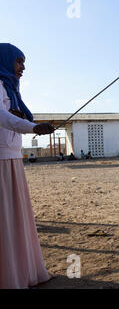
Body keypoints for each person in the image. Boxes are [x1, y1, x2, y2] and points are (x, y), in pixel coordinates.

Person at [0, 43, 55, 289]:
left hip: (12, 159)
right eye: (18, 61)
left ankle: (20, 272)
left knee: (14, 219)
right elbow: (3, 118)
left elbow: (14, 116)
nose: (23, 67)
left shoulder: (12, 90)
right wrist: (33, 127)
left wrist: (35, 125)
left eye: (24, 62)